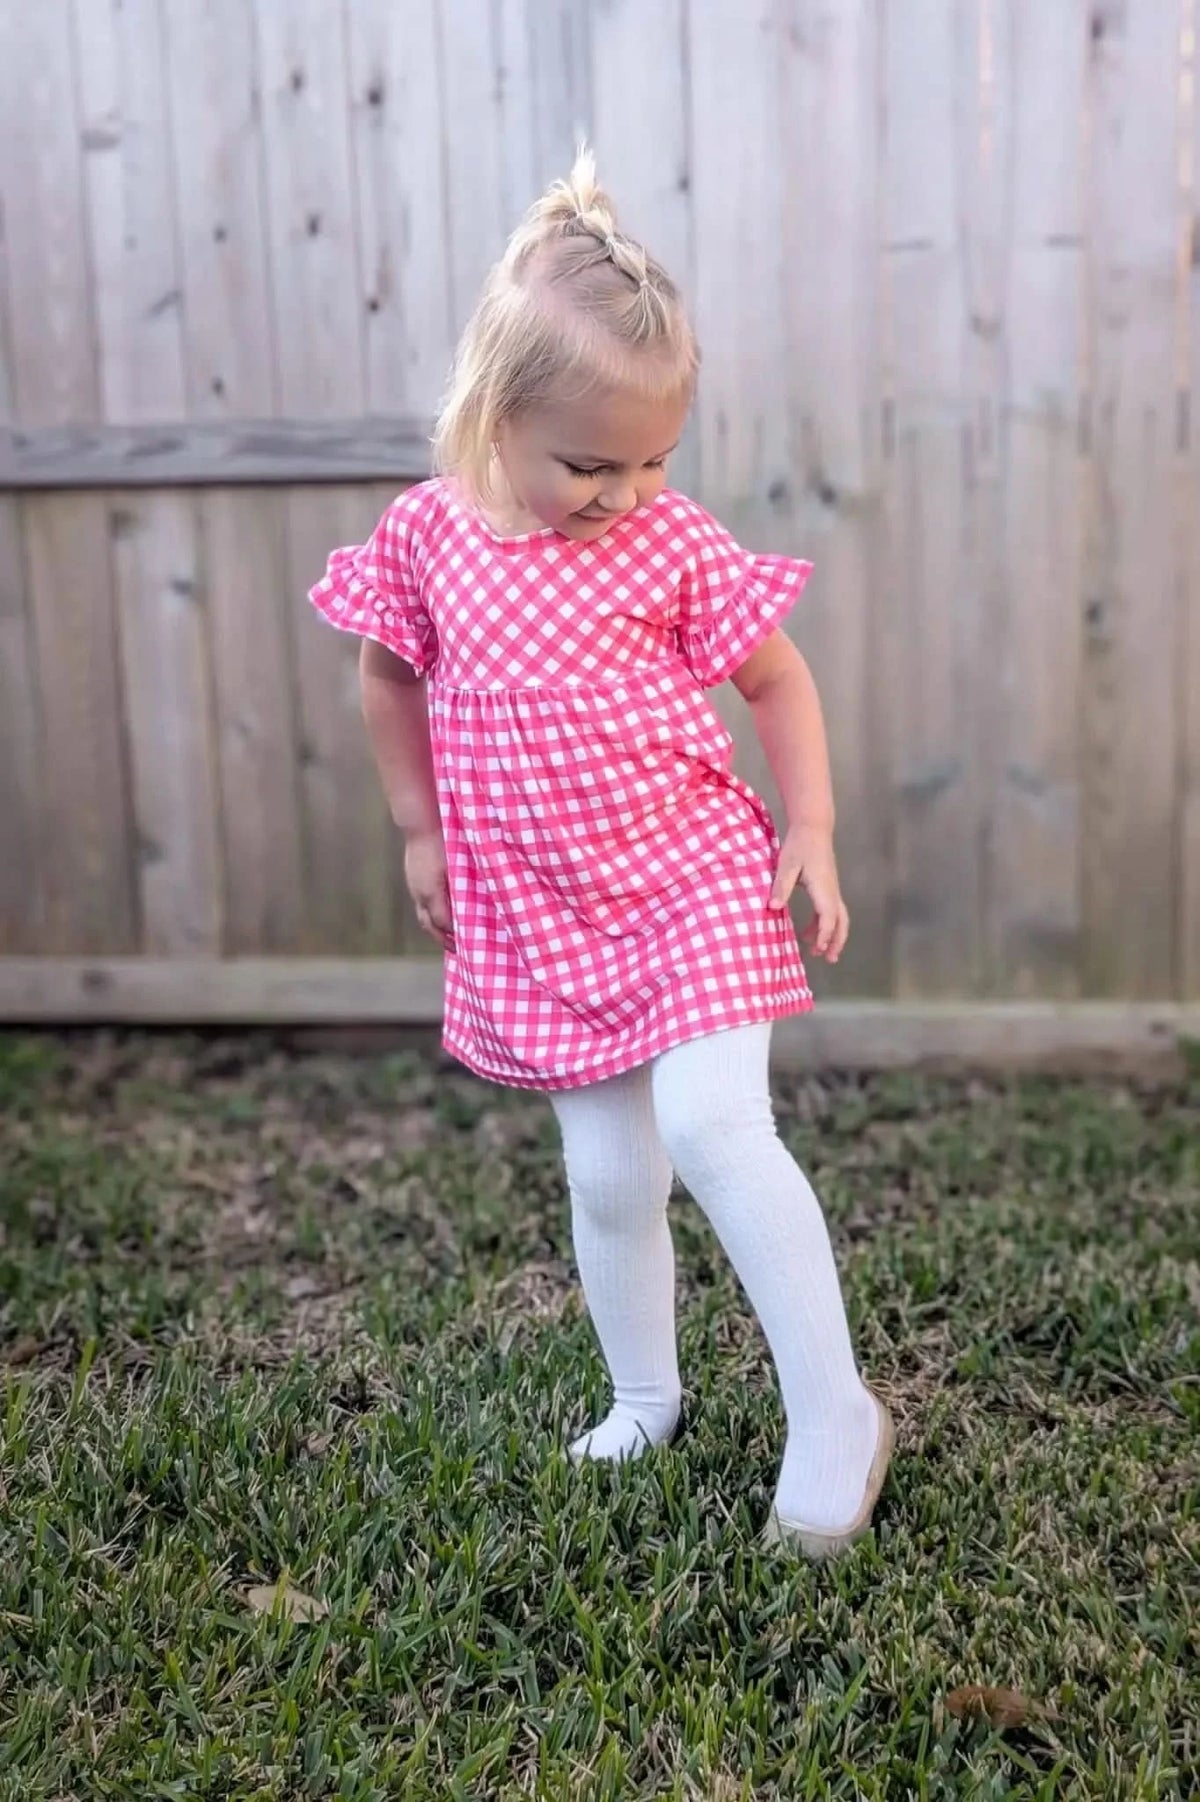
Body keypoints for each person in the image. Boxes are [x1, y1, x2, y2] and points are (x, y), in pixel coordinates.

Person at [309, 149, 893, 1558]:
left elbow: (777, 682)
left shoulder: (668, 543)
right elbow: (389, 678)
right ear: (495, 416)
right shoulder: (430, 537)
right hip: (543, 912)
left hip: (690, 875)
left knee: (709, 1127)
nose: (627, 490)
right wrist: (417, 825)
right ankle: (646, 1394)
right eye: (591, 462)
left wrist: (808, 828)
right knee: (611, 1178)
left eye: (654, 459)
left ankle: (838, 1411)